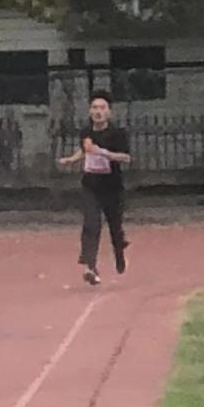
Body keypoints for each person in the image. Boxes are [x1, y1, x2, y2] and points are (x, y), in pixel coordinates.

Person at [58, 90, 131, 285]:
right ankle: (90, 266)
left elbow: (126, 157)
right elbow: (85, 150)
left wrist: (104, 153)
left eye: (102, 108)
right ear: (90, 111)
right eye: (94, 108)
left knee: (115, 226)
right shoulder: (86, 132)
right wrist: (71, 159)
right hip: (91, 185)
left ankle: (119, 253)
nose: (98, 112)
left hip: (112, 187)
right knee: (91, 224)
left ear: (109, 112)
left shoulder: (118, 133)